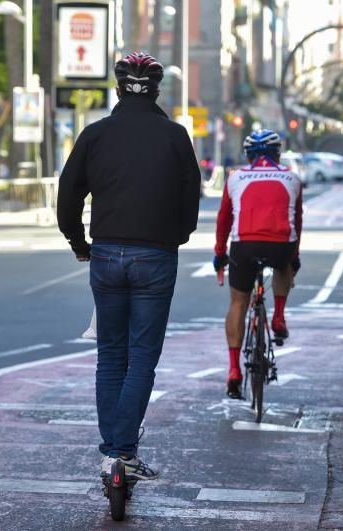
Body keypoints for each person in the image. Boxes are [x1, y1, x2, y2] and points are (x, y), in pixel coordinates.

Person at [57, 52, 200, 481]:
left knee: (109, 357)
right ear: (157, 90)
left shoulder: (95, 134)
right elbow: (190, 201)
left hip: (105, 255)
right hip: (155, 256)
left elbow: (68, 196)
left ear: (118, 88)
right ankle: (122, 451)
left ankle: (111, 453)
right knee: (141, 359)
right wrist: (175, 236)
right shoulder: (175, 136)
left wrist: (79, 242)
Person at [213, 130, 303, 400]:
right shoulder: (293, 177)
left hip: (244, 244)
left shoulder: (235, 177)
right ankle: (278, 316)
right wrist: (294, 256)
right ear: (277, 154)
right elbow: (297, 223)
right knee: (284, 265)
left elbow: (223, 220)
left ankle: (233, 371)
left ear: (248, 155)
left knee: (238, 302)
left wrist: (220, 253)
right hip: (280, 244)